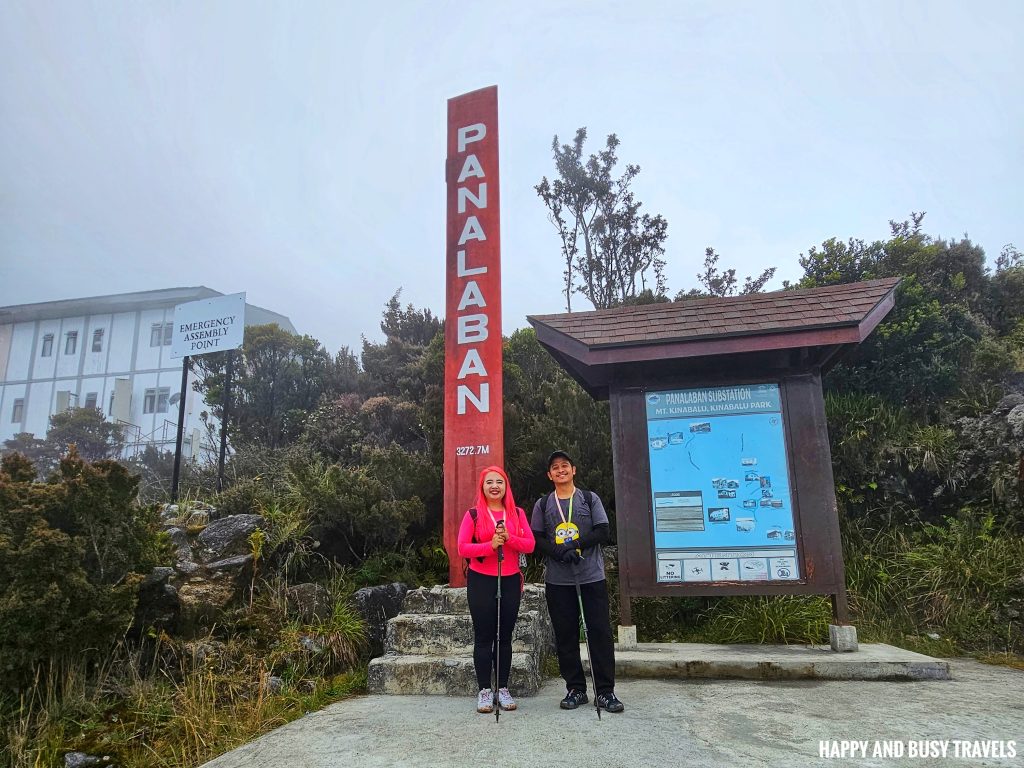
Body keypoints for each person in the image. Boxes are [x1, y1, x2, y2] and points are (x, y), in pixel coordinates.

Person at [531, 450, 624, 713]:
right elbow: (536, 538)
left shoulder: (588, 498)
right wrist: (560, 551)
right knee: (566, 635)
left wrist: (576, 544)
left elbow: (603, 531)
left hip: (591, 576)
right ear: (549, 475)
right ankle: (575, 689)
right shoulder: (543, 504)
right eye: (555, 467)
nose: (560, 470)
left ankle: (605, 692)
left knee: (599, 633)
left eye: (565, 466)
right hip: (559, 581)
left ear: (574, 470)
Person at [457, 465, 535, 714]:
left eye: (499, 482)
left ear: (506, 486)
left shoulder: (518, 513)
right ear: (482, 487)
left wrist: (509, 538)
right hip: (481, 581)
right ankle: (484, 690)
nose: (494, 486)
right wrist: (489, 546)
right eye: (489, 482)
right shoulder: (473, 515)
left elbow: (530, 544)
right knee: (483, 637)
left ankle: (502, 687)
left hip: (510, 579)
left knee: (505, 636)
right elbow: (462, 548)